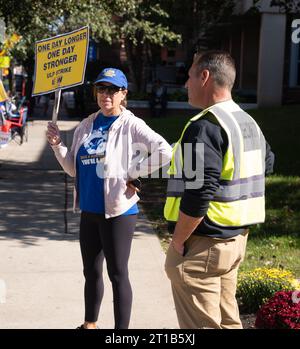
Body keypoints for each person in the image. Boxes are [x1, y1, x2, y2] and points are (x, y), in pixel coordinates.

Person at [46, 67, 172, 329]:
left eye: (113, 90)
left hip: (118, 212)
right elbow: (72, 169)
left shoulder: (131, 124)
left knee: (117, 274)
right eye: (102, 89)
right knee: (90, 273)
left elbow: (164, 151)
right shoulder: (86, 125)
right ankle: (90, 324)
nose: (106, 94)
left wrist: (134, 172)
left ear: (123, 94)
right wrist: (58, 145)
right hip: (89, 210)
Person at [164, 51, 274, 329]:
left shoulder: (205, 126)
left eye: (189, 76)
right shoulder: (247, 122)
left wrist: (178, 241)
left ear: (204, 77)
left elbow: (200, 191)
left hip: (203, 245)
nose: (185, 84)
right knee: (227, 322)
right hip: (235, 241)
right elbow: (267, 163)